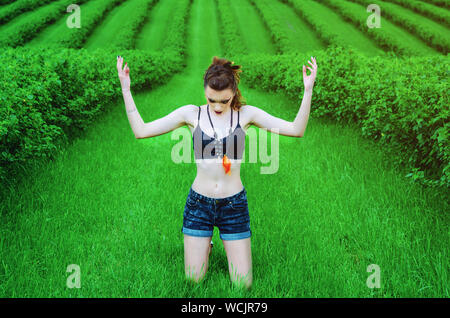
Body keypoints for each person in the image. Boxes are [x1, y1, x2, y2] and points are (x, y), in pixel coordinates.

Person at [116, 55, 318, 289]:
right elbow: (142, 131)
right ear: (205, 91)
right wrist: (126, 89)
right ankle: (206, 246)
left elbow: (296, 129)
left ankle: (211, 244)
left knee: (243, 285)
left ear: (234, 91)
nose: (219, 106)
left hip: (234, 205)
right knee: (193, 280)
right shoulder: (191, 114)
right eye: (212, 100)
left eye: (224, 100)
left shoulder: (246, 114)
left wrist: (308, 90)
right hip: (199, 204)